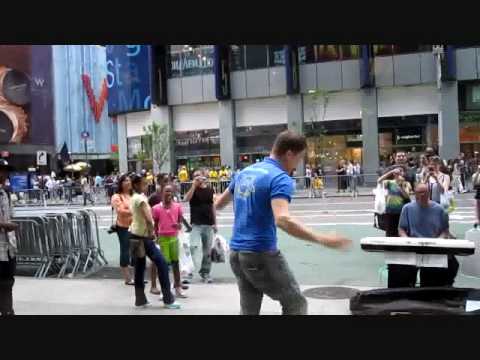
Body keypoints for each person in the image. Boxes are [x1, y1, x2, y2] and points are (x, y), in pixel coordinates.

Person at [214, 130, 352, 315]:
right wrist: (323, 239)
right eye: (299, 158)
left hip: (237, 254)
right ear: (289, 154)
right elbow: (283, 219)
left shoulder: (245, 172)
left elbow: (218, 203)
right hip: (260, 254)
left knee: (248, 309)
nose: (298, 164)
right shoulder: (280, 178)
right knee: (296, 303)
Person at [391, 183, 459, 288]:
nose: (422, 195)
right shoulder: (407, 208)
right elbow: (401, 229)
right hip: (413, 246)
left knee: (452, 264)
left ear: (429, 193)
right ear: (415, 194)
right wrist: (407, 240)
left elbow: (445, 230)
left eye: (425, 192)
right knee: (398, 267)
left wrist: (438, 241)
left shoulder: (439, 209)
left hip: (433, 247)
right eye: (419, 192)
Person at [128, 174, 180, 309]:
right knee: (162, 264)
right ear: (136, 185)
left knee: (139, 268)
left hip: (134, 235)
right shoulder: (140, 199)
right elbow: (148, 219)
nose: (146, 186)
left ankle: (140, 300)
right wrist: (152, 233)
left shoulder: (133, 198)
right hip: (144, 237)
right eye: (144, 184)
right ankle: (168, 299)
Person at [151, 185, 190, 298]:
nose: (169, 193)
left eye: (171, 191)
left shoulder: (177, 206)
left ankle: (178, 288)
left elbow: (179, 222)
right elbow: (155, 224)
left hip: (174, 238)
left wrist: (178, 225)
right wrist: (156, 236)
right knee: (164, 266)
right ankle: (165, 290)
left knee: (175, 263)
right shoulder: (156, 208)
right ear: (162, 192)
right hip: (162, 239)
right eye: (167, 191)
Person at [183, 168, 217, 283]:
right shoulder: (193, 190)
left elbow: (212, 207)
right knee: (192, 247)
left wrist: (215, 223)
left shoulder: (210, 190)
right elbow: (185, 199)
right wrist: (193, 186)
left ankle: (205, 272)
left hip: (208, 224)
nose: (197, 178)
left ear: (203, 177)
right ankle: (189, 271)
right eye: (194, 177)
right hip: (196, 224)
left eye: (199, 176)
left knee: (207, 251)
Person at [0, 159, 18, 316]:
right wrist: (5, 226)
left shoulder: (5, 193)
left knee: (7, 283)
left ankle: (7, 311)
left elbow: (11, 216)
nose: (4, 173)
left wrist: (10, 225)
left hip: (8, 249)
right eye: (1, 170)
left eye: (6, 170)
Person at [111, 174, 134, 285]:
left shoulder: (133, 195)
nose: (128, 183)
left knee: (136, 251)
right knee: (125, 250)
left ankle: (135, 276)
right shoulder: (117, 196)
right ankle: (127, 277)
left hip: (135, 227)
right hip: (123, 227)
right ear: (120, 183)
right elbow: (121, 211)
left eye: (129, 181)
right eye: (125, 181)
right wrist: (134, 211)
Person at [377, 166, 412, 237]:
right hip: (390, 210)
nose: (399, 173)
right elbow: (379, 180)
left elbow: (406, 196)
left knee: (400, 231)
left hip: (401, 211)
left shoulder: (406, 184)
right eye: (397, 171)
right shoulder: (389, 182)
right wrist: (391, 172)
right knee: (389, 231)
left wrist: (400, 186)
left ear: (403, 173)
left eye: (401, 171)